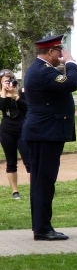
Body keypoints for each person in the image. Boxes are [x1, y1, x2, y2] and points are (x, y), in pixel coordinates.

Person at [22, 35, 77, 241]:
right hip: (46, 132)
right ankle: (43, 229)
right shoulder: (43, 71)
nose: (62, 54)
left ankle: (40, 226)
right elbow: (71, 83)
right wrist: (71, 62)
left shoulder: (40, 70)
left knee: (40, 181)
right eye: (60, 51)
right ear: (50, 52)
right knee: (44, 181)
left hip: (42, 131)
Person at [0, 70, 31, 201]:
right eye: (6, 81)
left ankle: (34, 188)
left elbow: (28, 108)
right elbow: (2, 107)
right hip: (7, 131)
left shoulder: (22, 92)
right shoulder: (1, 95)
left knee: (29, 161)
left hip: (23, 130)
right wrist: (4, 92)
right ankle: (15, 191)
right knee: (11, 161)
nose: (9, 83)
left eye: (11, 80)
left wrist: (16, 97)